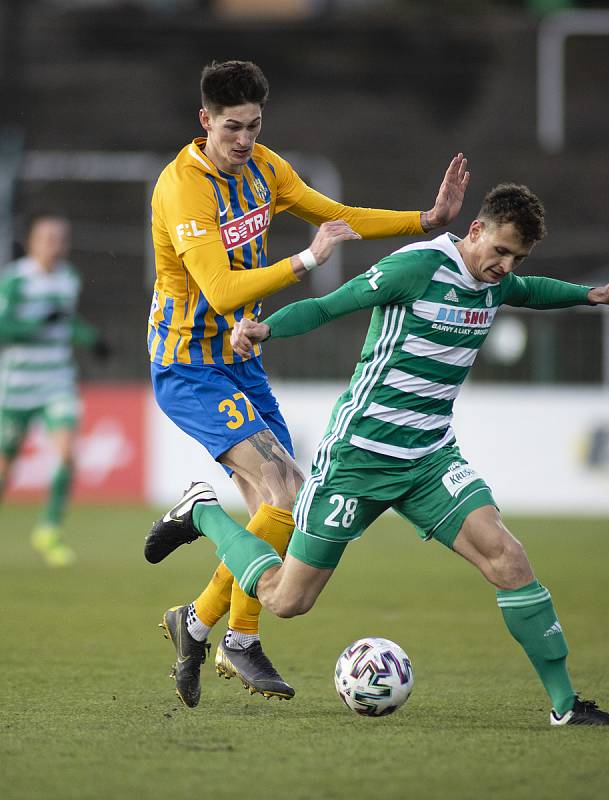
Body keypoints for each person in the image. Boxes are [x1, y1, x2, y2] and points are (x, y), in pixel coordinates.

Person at [146, 183, 609, 727]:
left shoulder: (494, 283)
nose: (505, 267)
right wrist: (267, 328)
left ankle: (565, 705)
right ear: (475, 230)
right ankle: (201, 511)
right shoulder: (418, 267)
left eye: (517, 258)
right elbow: (329, 305)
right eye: (500, 252)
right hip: (358, 458)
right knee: (286, 600)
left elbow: (530, 290)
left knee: (509, 559)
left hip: (429, 460)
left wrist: (589, 295)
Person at [149, 59, 469, 708]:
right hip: (189, 365)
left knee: (287, 508)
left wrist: (427, 221)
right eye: (232, 128)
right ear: (204, 121)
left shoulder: (267, 168)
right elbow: (219, 289)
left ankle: (199, 622)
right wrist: (303, 261)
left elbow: (340, 215)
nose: (244, 140)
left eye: (255, 126)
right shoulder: (184, 189)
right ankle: (232, 621)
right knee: (287, 487)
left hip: (240, 361)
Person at [0, 214, 107, 566]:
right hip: (17, 387)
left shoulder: (68, 278)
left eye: (61, 238)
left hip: (57, 381)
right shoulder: (15, 280)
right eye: (48, 237)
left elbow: (64, 321)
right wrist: (35, 323)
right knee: (5, 467)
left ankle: (49, 529)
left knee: (66, 454)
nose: (55, 244)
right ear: (32, 241)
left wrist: (92, 339)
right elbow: (4, 328)